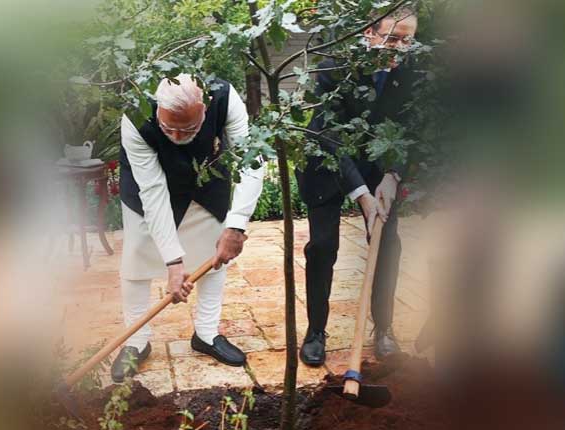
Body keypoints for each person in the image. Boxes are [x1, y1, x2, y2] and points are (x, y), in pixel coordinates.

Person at [112, 74, 264, 382]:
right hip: (145, 190)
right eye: (168, 128)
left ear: (204, 108)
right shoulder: (136, 114)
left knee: (213, 253)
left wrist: (236, 226)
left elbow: (250, 160)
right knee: (137, 258)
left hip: (206, 182)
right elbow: (153, 192)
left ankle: (206, 334)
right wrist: (173, 261)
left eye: (189, 129)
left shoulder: (224, 97)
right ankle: (136, 342)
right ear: (157, 109)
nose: (177, 136)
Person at [296, 7, 419, 366]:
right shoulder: (335, 68)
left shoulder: (410, 73)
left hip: (378, 166)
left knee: (388, 244)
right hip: (326, 163)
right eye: (392, 39)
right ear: (370, 34)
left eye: (408, 41)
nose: (399, 49)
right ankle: (316, 331)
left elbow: (408, 129)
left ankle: (384, 329)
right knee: (322, 247)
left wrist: (392, 176)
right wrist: (361, 195)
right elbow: (329, 135)